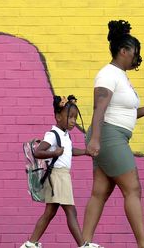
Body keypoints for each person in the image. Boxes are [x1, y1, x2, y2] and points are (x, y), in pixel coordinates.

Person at [82, 20, 144, 248]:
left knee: (100, 192)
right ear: (123, 50)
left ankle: (85, 243)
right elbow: (99, 107)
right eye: (135, 51)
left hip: (112, 135)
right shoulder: (107, 74)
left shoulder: (121, 76)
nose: (137, 56)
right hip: (109, 135)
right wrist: (94, 139)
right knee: (132, 188)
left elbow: (127, 112)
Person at [21, 95, 94, 248]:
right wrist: (54, 153)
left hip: (62, 176)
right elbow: (38, 152)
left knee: (50, 212)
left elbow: (70, 151)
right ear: (58, 116)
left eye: (75, 117)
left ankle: (31, 243)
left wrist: (86, 152)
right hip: (57, 176)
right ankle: (82, 245)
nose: (73, 120)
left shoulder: (65, 135)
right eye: (70, 117)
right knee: (70, 211)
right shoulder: (52, 135)